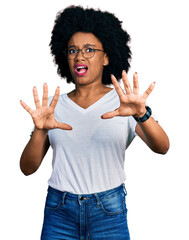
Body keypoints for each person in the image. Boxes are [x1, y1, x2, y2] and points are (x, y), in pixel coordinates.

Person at [20, 5, 170, 240]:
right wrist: (40, 131)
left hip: (108, 212)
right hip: (59, 212)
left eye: (89, 49)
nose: (79, 56)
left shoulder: (125, 102)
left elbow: (162, 147)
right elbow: (27, 168)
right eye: (72, 50)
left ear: (106, 56)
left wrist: (141, 114)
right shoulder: (51, 106)